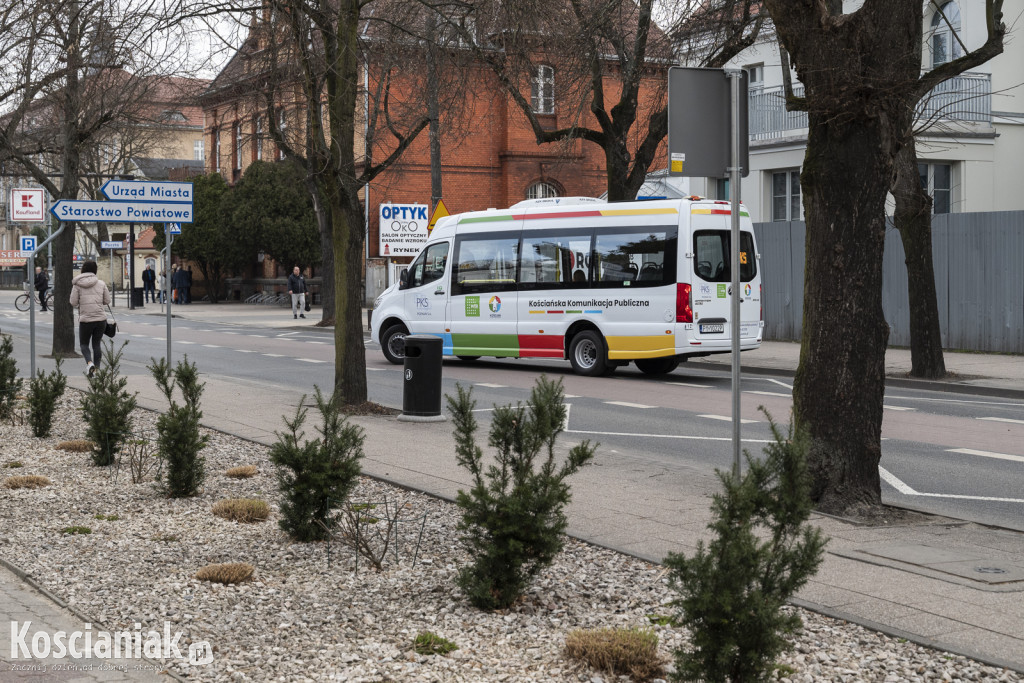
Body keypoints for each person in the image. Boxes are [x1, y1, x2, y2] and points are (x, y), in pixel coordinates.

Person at [70, 260, 111, 377]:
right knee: (96, 344)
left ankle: (89, 363)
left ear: (83, 269)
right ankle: (96, 370)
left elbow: (73, 302)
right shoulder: (101, 283)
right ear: (95, 270)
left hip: (86, 320)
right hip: (100, 320)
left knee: (84, 344)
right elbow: (107, 301)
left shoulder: (77, 285)